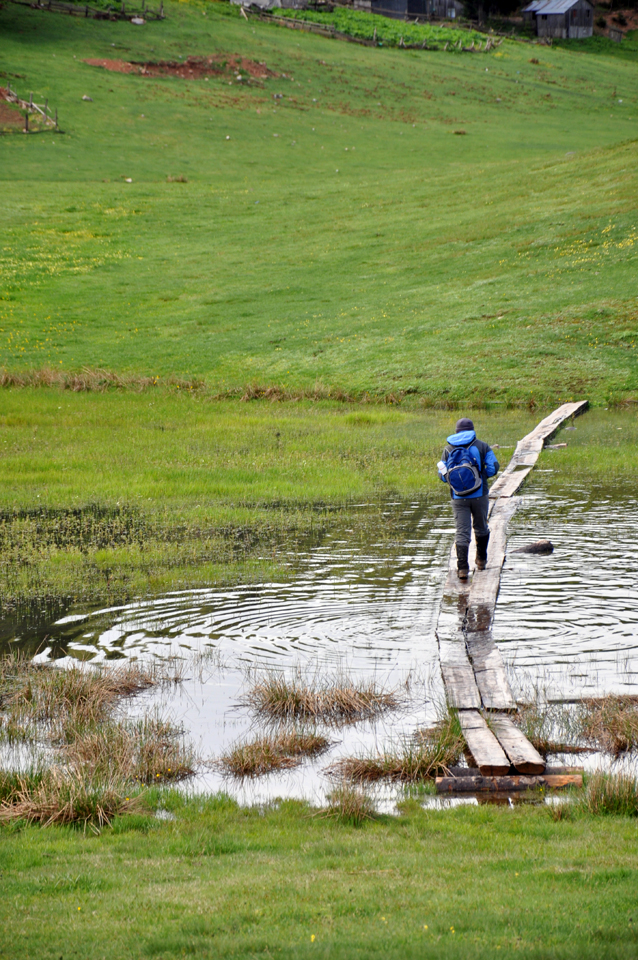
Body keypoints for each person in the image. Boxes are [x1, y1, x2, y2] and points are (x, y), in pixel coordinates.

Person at [437, 417, 499, 580]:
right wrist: (481, 476)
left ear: (456, 431)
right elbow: (493, 468)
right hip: (480, 495)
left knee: (462, 532)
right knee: (481, 527)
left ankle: (463, 568)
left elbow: (443, 476)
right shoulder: (482, 446)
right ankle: (481, 561)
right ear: (472, 430)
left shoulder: (448, 449)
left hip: (458, 498)